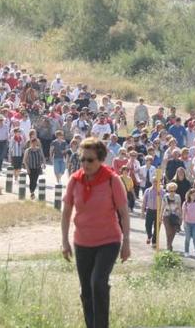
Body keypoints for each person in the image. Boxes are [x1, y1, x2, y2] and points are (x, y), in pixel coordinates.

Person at [61, 137, 130, 328]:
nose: (85, 163)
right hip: (82, 242)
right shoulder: (74, 181)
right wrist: (64, 242)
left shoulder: (112, 180)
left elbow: (124, 214)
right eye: (82, 159)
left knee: (98, 282)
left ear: (100, 159)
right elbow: (66, 214)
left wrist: (127, 243)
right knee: (86, 290)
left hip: (109, 240)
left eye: (90, 160)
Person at [161, 182, 183, 251]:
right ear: (168, 190)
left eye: (174, 190)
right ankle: (169, 246)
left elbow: (179, 207)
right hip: (166, 216)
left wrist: (181, 217)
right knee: (168, 231)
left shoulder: (178, 197)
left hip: (175, 216)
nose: (172, 192)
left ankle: (169, 244)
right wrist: (160, 216)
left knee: (173, 231)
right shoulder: (165, 196)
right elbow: (162, 207)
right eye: (171, 190)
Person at [142, 176, 162, 247]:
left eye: (157, 181)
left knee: (157, 227)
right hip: (149, 210)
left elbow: (164, 202)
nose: (155, 183)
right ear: (152, 182)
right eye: (154, 181)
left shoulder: (162, 191)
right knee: (147, 225)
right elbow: (144, 202)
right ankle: (149, 236)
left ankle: (154, 241)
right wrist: (142, 212)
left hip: (158, 211)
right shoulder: (147, 190)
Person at [183, 188, 195, 256]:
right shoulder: (185, 203)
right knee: (187, 238)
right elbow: (184, 214)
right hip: (188, 223)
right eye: (193, 195)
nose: (194, 196)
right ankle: (186, 251)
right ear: (189, 195)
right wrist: (184, 222)